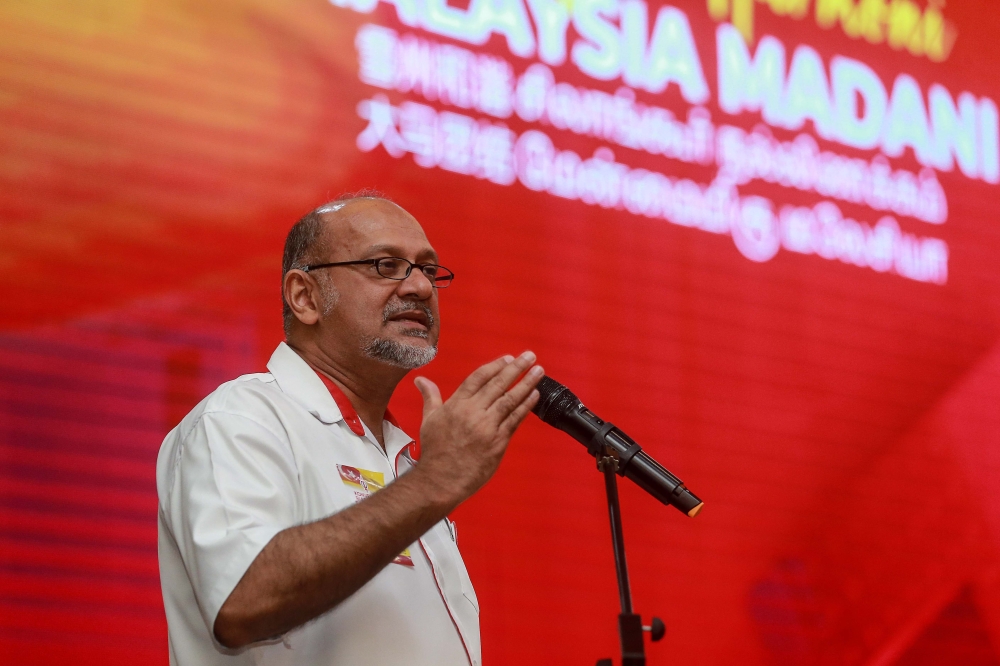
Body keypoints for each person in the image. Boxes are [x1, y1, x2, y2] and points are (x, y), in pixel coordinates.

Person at [156, 192, 543, 665]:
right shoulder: (242, 417)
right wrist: (435, 482)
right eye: (385, 265)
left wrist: (426, 479)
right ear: (305, 296)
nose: (420, 286)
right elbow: (242, 598)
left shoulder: (405, 459)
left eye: (428, 268)